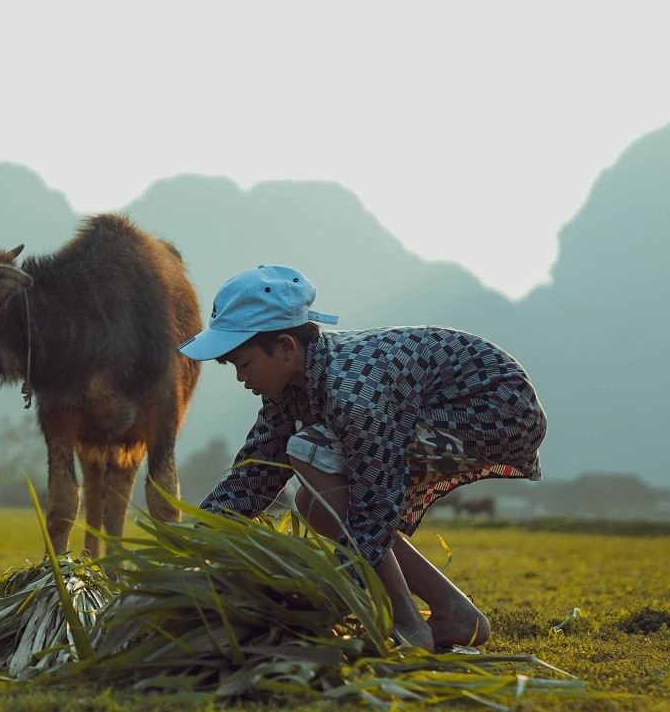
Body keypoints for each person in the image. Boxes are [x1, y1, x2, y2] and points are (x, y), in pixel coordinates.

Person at [178, 264, 546, 651]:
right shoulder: (291, 388)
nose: (241, 378)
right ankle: (454, 612)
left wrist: (333, 597)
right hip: (442, 412)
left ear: (286, 348)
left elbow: (375, 506)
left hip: (496, 412)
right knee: (313, 503)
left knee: (310, 452)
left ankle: (407, 626)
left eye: (244, 364)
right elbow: (253, 477)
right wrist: (187, 549)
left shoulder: (351, 392)